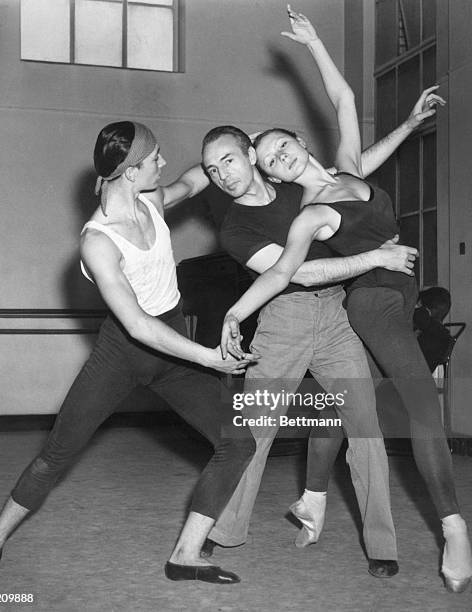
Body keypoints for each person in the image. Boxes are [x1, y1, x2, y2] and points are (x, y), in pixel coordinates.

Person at [220, 8, 472, 593]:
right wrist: (237, 311)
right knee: (418, 404)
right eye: (269, 162)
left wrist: (314, 45)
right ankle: (454, 527)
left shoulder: (351, 168)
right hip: (372, 302)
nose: (278, 159)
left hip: (400, 295)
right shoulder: (310, 214)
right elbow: (288, 270)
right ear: (274, 176)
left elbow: (343, 98)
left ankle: (311, 498)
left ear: (299, 142)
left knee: (348, 409)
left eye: (281, 147)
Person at [0, 121, 260, 585]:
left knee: (238, 441)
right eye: (155, 158)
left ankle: (186, 554)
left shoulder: (153, 200)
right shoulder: (98, 240)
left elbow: (194, 177)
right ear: (129, 172)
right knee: (56, 455)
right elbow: (138, 325)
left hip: (171, 352)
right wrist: (207, 358)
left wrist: (250, 147)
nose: (164, 164)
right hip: (123, 353)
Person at [413, 287, 452, 373]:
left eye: (418, 305)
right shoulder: (443, 335)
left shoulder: (433, 335)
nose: (414, 308)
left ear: (427, 311)